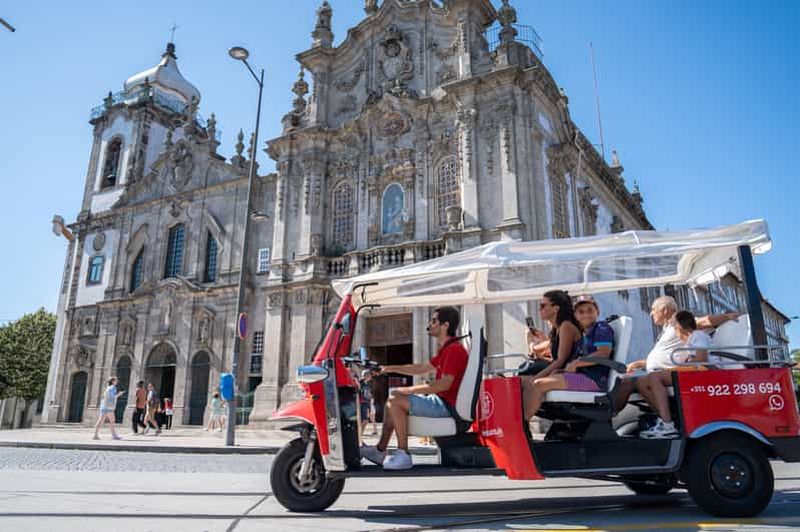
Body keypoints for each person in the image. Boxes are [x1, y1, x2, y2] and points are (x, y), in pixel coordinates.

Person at [360, 306, 469, 470]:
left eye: (433, 321)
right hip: (442, 401)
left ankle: (403, 454)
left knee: (395, 399)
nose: (429, 325)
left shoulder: (454, 350)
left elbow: (443, 385)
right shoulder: (447, 350)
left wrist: (408, 390)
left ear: (445, 325)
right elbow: (420, 368)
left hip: (447, 405)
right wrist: (387, 368)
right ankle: (379, 450)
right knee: (392, 401)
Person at [615, 296, 738, 430]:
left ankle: (610, 417)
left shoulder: (680, 324)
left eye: (653, 309)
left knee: (626, 383)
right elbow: (664, 354)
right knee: (639, 383)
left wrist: (727, 316)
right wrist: (637, 364)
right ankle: (667, 419)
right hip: (666, 371)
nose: (651, 313)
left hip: (675, 372)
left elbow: (704, 321)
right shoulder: (667, 330)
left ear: (665, 310)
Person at [521, 294, 613, 420]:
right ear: (575, 315)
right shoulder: (585, 334)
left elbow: (603, 353)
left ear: (597, 312)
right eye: (581, 312)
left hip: (593, 379)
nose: (586, 314)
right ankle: (519, 422)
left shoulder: (601, 328)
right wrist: (563, 370)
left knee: (537, 384)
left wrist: (576, 364)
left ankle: (522, 424)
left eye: (590, 310)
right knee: (523, 382)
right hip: (580, 376)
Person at [637, 310, 713, 439]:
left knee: (655, 377)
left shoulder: (698, 335)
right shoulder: (690, 340)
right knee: (642, 382)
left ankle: (667, 425)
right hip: (695, 369)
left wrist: (675, 368)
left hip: (701, 370)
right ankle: (666, 418)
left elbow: (701, 359)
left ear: (679, 328)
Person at [520, 290, 583, 420]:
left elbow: (561, 360)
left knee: (533, 382)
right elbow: (548, 354)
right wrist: (532, 343)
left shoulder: (566, 326)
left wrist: (538, 376)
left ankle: (522, 422)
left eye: (543, 306)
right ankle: (520, 422)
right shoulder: (557, 329)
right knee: (517, 382)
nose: (540, 310)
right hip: (561, 372)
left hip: (573, 374)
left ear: (555, 308)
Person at [93, 376, 124, 440]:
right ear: (113, 381)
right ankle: (114, 435)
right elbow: (112, 396)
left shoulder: (108, 387)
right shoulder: (113, 387)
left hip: (104, 406)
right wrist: (119, 394)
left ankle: (95, 434)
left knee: (101, 420)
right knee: (112, 421)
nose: (117, 381)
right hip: (109, 407)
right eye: (116, 380)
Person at [359, 370, 377, 437]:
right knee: (364, 421)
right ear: (366, 375)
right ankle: (359, 436)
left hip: (366, 403)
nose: (371, 377)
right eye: (370, 375)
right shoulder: (360, 383)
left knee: (365, 421)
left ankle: (360, 436)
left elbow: (367, 394)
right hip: (362, 403)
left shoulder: (366, 384)